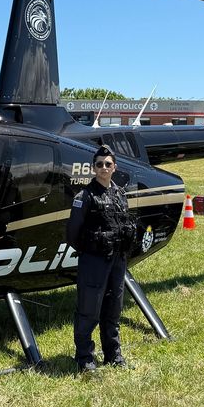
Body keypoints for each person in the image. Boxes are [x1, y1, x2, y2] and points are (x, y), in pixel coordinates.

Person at [66, 145, 137, 374]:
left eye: (108, 164)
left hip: (117, 260)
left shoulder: (120, 194)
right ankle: (85, 358)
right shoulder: (84, 196)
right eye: (99, 164)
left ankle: (113, 354)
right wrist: (91, 249)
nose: (104, 168)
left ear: (114, 167)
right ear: (93, 168)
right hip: (94, 260)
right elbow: (72, 234)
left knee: (113, 309)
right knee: (89, 310)